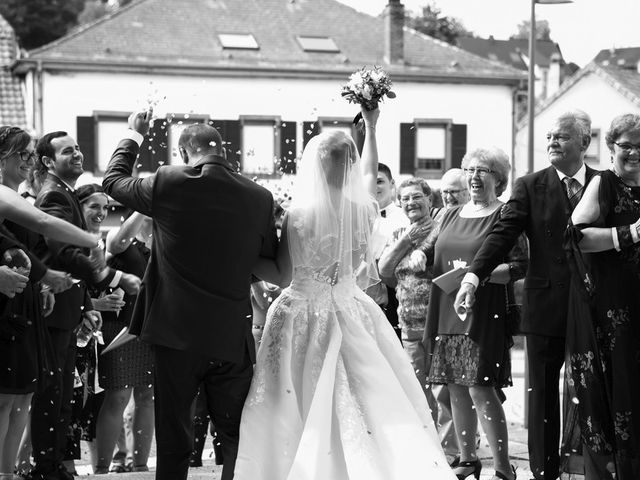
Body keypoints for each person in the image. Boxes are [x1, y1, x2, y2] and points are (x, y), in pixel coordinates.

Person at [233, 108, 455, 480]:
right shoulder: (365, 209)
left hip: (302, 311)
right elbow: (369, 175)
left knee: (295, 397)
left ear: (315, 165)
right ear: (349, 164)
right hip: (352, 307)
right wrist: (370, 125)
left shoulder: (299, 214)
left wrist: (246, 259)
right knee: (364, 394)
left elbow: (284, 273)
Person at [102, 111, 278, 480]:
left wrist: (134, 134)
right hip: (232, 334)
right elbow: (266, 259)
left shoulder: (169, 181)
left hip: (176, 334)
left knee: (175, 432)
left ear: (184, 152)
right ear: (225, 152)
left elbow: (114, 182)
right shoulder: (260, 197)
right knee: (235, 436)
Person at [455, 111, 598, 480]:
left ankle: (598, 468)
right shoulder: (529, 185)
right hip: (546, 305)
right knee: (543, 398)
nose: (551, 141)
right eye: (549, 135)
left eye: (562, 136)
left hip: (596, 306)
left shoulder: (604, 183)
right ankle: (544, 472)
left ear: (585, 143)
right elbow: (501, 236)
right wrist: (473, 276)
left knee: (597, 390)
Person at [30, 131, 141, 480]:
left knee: (64, 398)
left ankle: (56, 467)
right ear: (48, 161)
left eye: (78, 148)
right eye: (67, 151)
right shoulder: (53, 196)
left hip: (68, 309)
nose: (77, 154)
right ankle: (47, 469)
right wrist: (113, 278)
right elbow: (61, 250)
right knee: (52, 397)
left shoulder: (61, 193)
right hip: (52, 311)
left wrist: (84, 307)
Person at [0, 126, 97, 480]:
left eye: (28, 155)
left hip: (34, 302)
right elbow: (44, 230)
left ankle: (16, 472)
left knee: (22, 400)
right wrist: (94, 245)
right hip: (13, 307)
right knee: (18, 399)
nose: (27, 163)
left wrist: (48, 283)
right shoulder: (29, 196)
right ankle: (39, 466)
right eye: (22, 155)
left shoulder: (23, 197)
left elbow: (25, 247)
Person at [425, 148, 527, 480]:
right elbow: (431, 256)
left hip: (485, 310)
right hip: (447, 308)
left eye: (483, 170)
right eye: (470, 169)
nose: (474, 176)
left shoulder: (506, 214)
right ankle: (467, 458)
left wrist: (479, 274)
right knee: (455, 385)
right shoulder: (449, 214)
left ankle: (502, 467)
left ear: (499, 178)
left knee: (480, 387)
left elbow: (521, 265)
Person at [564, 114, 640, 480]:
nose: (634, 152)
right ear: (611, 148)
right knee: (619, 391)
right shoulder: (604, 184)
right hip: (612, 314)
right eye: (626, 145)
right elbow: (576, 236)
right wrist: (630, 233)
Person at [94, 210, 155, 474]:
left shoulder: (168, 234)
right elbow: (117, 245)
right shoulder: (122, 235)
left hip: (154, 325)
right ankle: (103, 469)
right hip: (120, 325)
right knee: (117, 396)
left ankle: (140, 466)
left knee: (147, 395)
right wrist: (143, 207)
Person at [378, 177, 438, 419]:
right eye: (405, 198)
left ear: (429, 198)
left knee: (441, 388)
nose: (411, 202)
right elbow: (384, 272)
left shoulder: (440, 227)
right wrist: (405, 241)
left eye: (416, 196)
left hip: (437, 322)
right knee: (416, 387)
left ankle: (452, 446)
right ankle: (429, 440)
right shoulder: (399, 234)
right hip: (409, 323)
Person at [370, 163, 408, 339]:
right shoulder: (356, 218)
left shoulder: (405, 217)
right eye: (370, 182)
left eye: (379, 181)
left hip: (394, 297)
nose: (374, 187)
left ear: (392, 183)